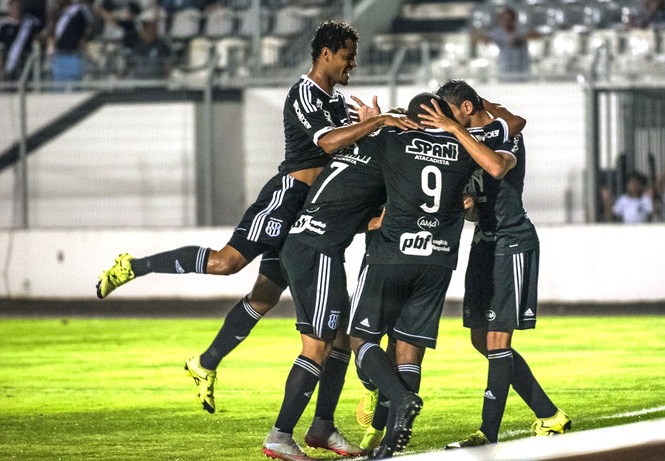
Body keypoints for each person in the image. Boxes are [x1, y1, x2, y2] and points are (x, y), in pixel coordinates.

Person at [95, 19, 414, 430]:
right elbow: (327, 144)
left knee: (265, 296)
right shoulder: (304, 93)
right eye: (348, 57)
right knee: (226, 263)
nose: (352, 65)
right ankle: (133, 266)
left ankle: (205, 363)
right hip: (287, 198)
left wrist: (369, 122)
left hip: (310, 213)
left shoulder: (337, 102)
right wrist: (378, 121)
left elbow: (349, 150)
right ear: (326, 54)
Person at [349, 91, 523, 459]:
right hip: (437, 263)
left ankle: (400, 398)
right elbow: (498, 154)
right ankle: (393, 440)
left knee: (361, 339)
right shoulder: (465, 147)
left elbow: (350, 145)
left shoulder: (393, 138)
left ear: (410, 119)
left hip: (391, 255)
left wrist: (373, 119)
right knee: (409, 351)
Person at [423, 80, 571, 449]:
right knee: (480, 338)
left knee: (496, 338)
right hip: (485, 244)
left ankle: (486, 433)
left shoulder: (500, 135)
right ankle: (550, 414)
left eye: (451, 113)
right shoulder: (471, 139)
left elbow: (497, 165)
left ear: (467, 109)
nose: (446, 122)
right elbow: (475, 203)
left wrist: (456, 130)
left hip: (513, 242)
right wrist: (467, 206)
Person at [262, 103, 406, 460]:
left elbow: (345, 204)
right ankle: (280, 434)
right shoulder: (390, 159)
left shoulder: (357, 150)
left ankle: (323, 426)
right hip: (319, 250)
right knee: (317, 346)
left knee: (339, 337)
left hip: (306, 244)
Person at [471, 6, 541, 82]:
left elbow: (537, 35)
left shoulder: (521, 30)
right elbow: (481, 39)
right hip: (505, 71)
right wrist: (477, 34)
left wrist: (519, 37)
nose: (507, 22)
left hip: (522, 71)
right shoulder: (497, 32)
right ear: (499, 20)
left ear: (514, 19)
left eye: (509, 19)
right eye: (504, 19)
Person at [47, 0, 96, 85]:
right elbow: (53, 29)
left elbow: (93, 26)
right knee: (58, 86)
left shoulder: (81, 8)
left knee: (74, 85)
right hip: (59, 55)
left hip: (74, 55)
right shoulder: (57, 11)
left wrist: (85, 39)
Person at [0, 0, 43, 81]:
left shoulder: (30, 24)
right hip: (9, 63)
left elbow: (40, 36)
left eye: (18, 7)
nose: (16, 10)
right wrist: (1, 67)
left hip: (25, 63)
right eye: (14, 7)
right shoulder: (4, 27)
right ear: (9, 9)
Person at [125, 10, 174, 79]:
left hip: (157, 85)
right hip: (138, 84)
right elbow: (127, 66)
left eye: (156, 26)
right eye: (152, 26)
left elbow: (168, 68)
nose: (156, 29)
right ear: (145, 27)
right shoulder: (134, 44)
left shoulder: (163, 46)